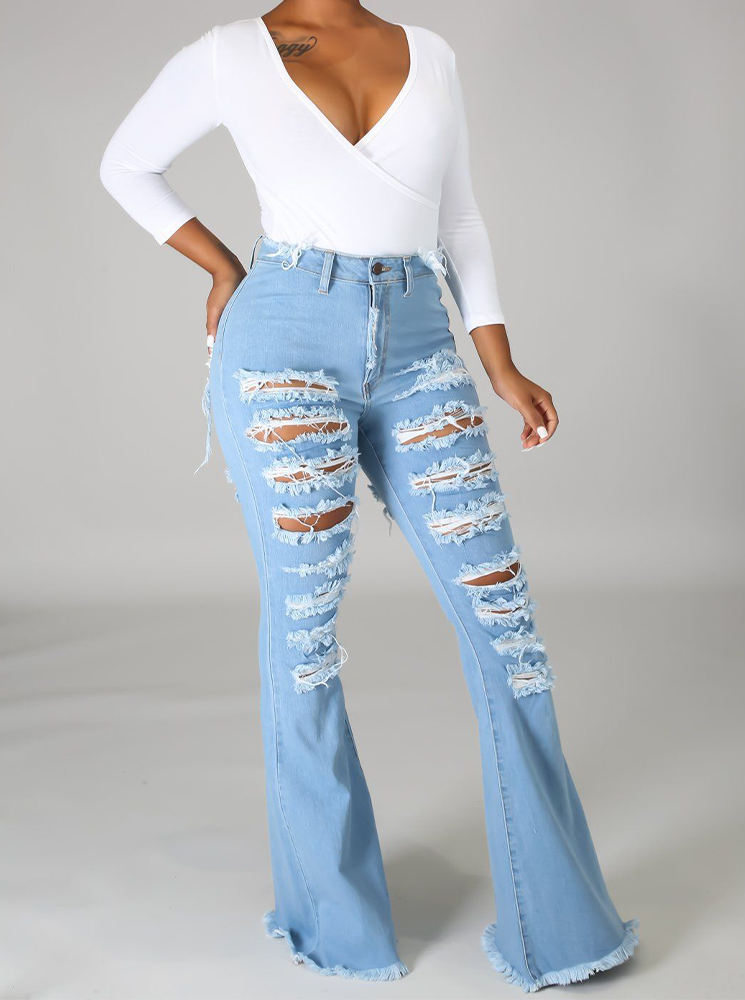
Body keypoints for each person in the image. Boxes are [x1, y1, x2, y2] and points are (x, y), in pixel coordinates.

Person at [99, 0, 637, 990]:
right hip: (283, 342)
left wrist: (499, 365)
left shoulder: (426, 51)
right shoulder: (231, 54)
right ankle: (336, 925)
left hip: (421, 342)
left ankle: (560, 928)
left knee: (506, 624)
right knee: (304, 630)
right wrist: (222, 265)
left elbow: (458, 217)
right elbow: (125, 163)